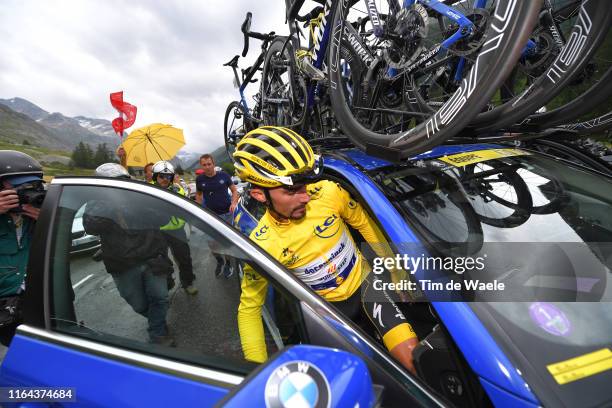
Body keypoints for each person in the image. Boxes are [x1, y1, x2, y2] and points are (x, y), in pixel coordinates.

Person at [233, 127, 419, 374]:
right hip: (327, 312)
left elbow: (365, 225)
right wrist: (257, 373)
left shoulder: (329, 192)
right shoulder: (263, 244)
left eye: (305, 185)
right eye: (291, 190)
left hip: (365, 285)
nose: (306, 197)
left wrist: (396, 271)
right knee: (355, 379)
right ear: (259, 194)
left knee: (412, 359)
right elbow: (249, 309)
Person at [84, 163, 176, 346]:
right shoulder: (96, 202)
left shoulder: (141, 194)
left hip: (152, 256)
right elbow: (91, 226)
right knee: (139, 304)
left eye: (121, 183)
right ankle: (157, 322)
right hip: (122, 264)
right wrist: (111, 203)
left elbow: (164, 218)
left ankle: (157, 334)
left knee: (160, 297)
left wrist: (138, 202)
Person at [0, 151, 46, 346]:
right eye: (19, 186)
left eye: (33, 185)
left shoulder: (38, 212)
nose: (28, 191)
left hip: (35, 299)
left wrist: (47, 220)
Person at [152, 161, 198, 295]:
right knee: (160, 261)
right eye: (161, 176)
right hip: (158, 231)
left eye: (168, 176)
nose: (165, 179)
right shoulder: (150, 190)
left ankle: (188, 283)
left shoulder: (178, 189)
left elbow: (187, 206)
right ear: (155, 176)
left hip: (178, 230)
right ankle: (166, 285)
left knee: (185, 258)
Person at [196, 154, 239, 278]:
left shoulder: (224, 176)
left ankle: (229, 264)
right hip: (210, 216)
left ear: (213, 164)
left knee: (226, 243)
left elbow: (234, 190)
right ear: (201, 166)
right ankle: (220, 261)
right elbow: (199, 195)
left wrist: (234, 202)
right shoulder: (200, 180)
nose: (207, 167)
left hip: (226, 214)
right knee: (212, 244)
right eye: (204, 165)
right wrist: (199, 208)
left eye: (209, 164)